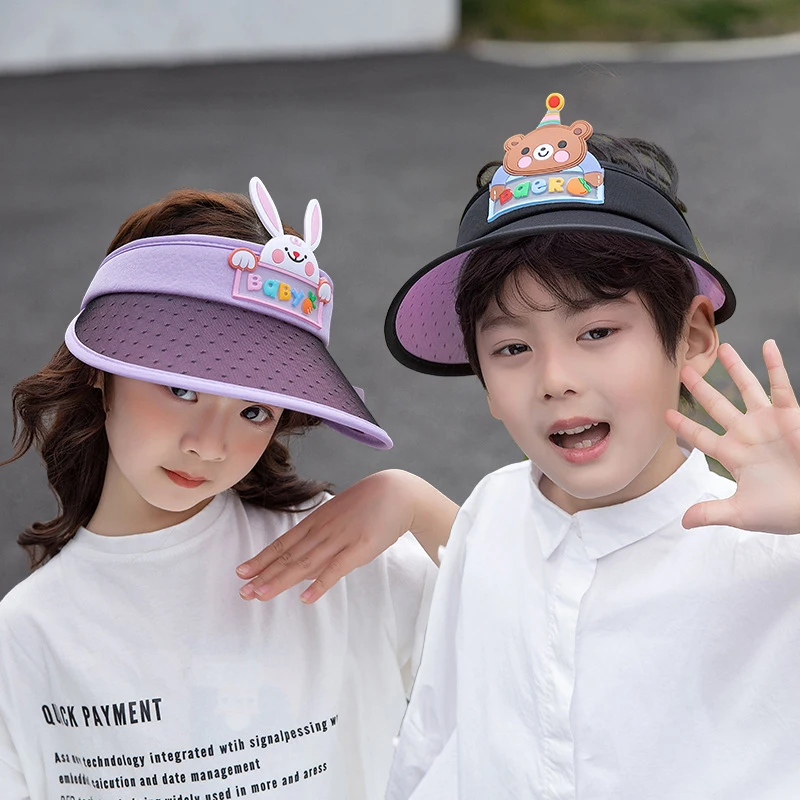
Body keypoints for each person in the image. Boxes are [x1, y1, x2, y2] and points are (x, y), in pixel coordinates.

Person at [237, 94, 800, 798]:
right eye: (511, 347)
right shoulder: (489, 514)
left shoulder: (774, 548)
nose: (555, 379)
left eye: (597, 332)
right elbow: (435, 733)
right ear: (481, 378)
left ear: (689, 337)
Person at [0, 176, 454, 800]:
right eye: (182, 389)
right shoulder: (27, 637)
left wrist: (418, 505)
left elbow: (545, 647)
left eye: (254, 411)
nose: (209, 446)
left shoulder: (337, 557)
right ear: (100, 373)